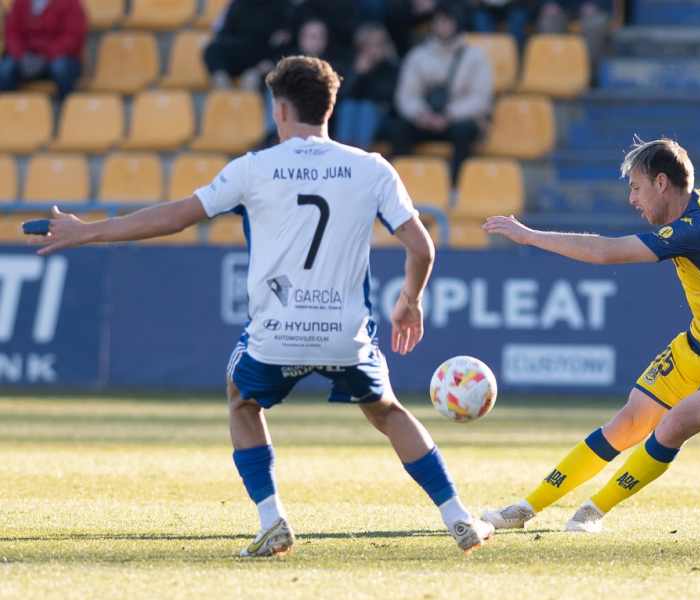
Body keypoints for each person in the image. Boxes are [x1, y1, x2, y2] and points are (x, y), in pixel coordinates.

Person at [28, 55, 495, 557]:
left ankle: (272, 519)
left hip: (278, 332)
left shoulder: (253, 169)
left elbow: (176, 218)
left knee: (241, 399)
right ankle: (457, 516)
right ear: (330, 108)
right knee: (387, 412)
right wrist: (409, 301)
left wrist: (88, 231)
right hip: (345, 333)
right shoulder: (372, 169)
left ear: (280, 109)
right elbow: (422, 248)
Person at [480, 138, 700, 533]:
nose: (633, 198)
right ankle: (524, 509)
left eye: (636, 186)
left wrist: (530, 235)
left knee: (673, 424)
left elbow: (605, 252)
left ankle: (592, 512)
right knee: (628, 422)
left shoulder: (697, 228)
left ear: (662, 183)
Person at [381, 4, 493, 184]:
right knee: (399, 129)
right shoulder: (418, 55)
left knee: (464, 132)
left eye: (447, 21)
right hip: (424, 119)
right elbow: (406, 96)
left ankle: (457, 187)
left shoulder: (475, 56)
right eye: (439, 21)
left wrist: (450, 114)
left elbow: (481, 98)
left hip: (456, 120)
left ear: (457, 23)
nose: (443, 26)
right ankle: (401, 186)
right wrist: (422, 114)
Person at [0, 0, 86, 100]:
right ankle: (7, 109)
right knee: (5, 69)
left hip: (58, 56)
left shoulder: (70, 3)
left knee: (61, 68)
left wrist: (45, 57)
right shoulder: (20, 2)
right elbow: (12, 32)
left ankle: (64, 109)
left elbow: (73, 37)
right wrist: (21, 55)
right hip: (26, 57)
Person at [335, 23, 400, 149]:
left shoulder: (391, 67)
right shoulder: (351, 64)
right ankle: (342, 152)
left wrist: (374, 69)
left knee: (367, 109)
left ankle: (361, 153)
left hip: (381, 114)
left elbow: (386, 97)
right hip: (353, 112)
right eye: (369, 45)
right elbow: (342, 95)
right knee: (348, 107)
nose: (373, 49)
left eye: (378, 44)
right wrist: (358, 74)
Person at [203, 0, 294, 90]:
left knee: (273, 64)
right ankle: (224, 91)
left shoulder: (284, 5)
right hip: (238, 53)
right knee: (212, 50)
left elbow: (288, 43)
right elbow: (223, 34)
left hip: (264, 57)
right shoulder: (237, 4)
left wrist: (259, 70)